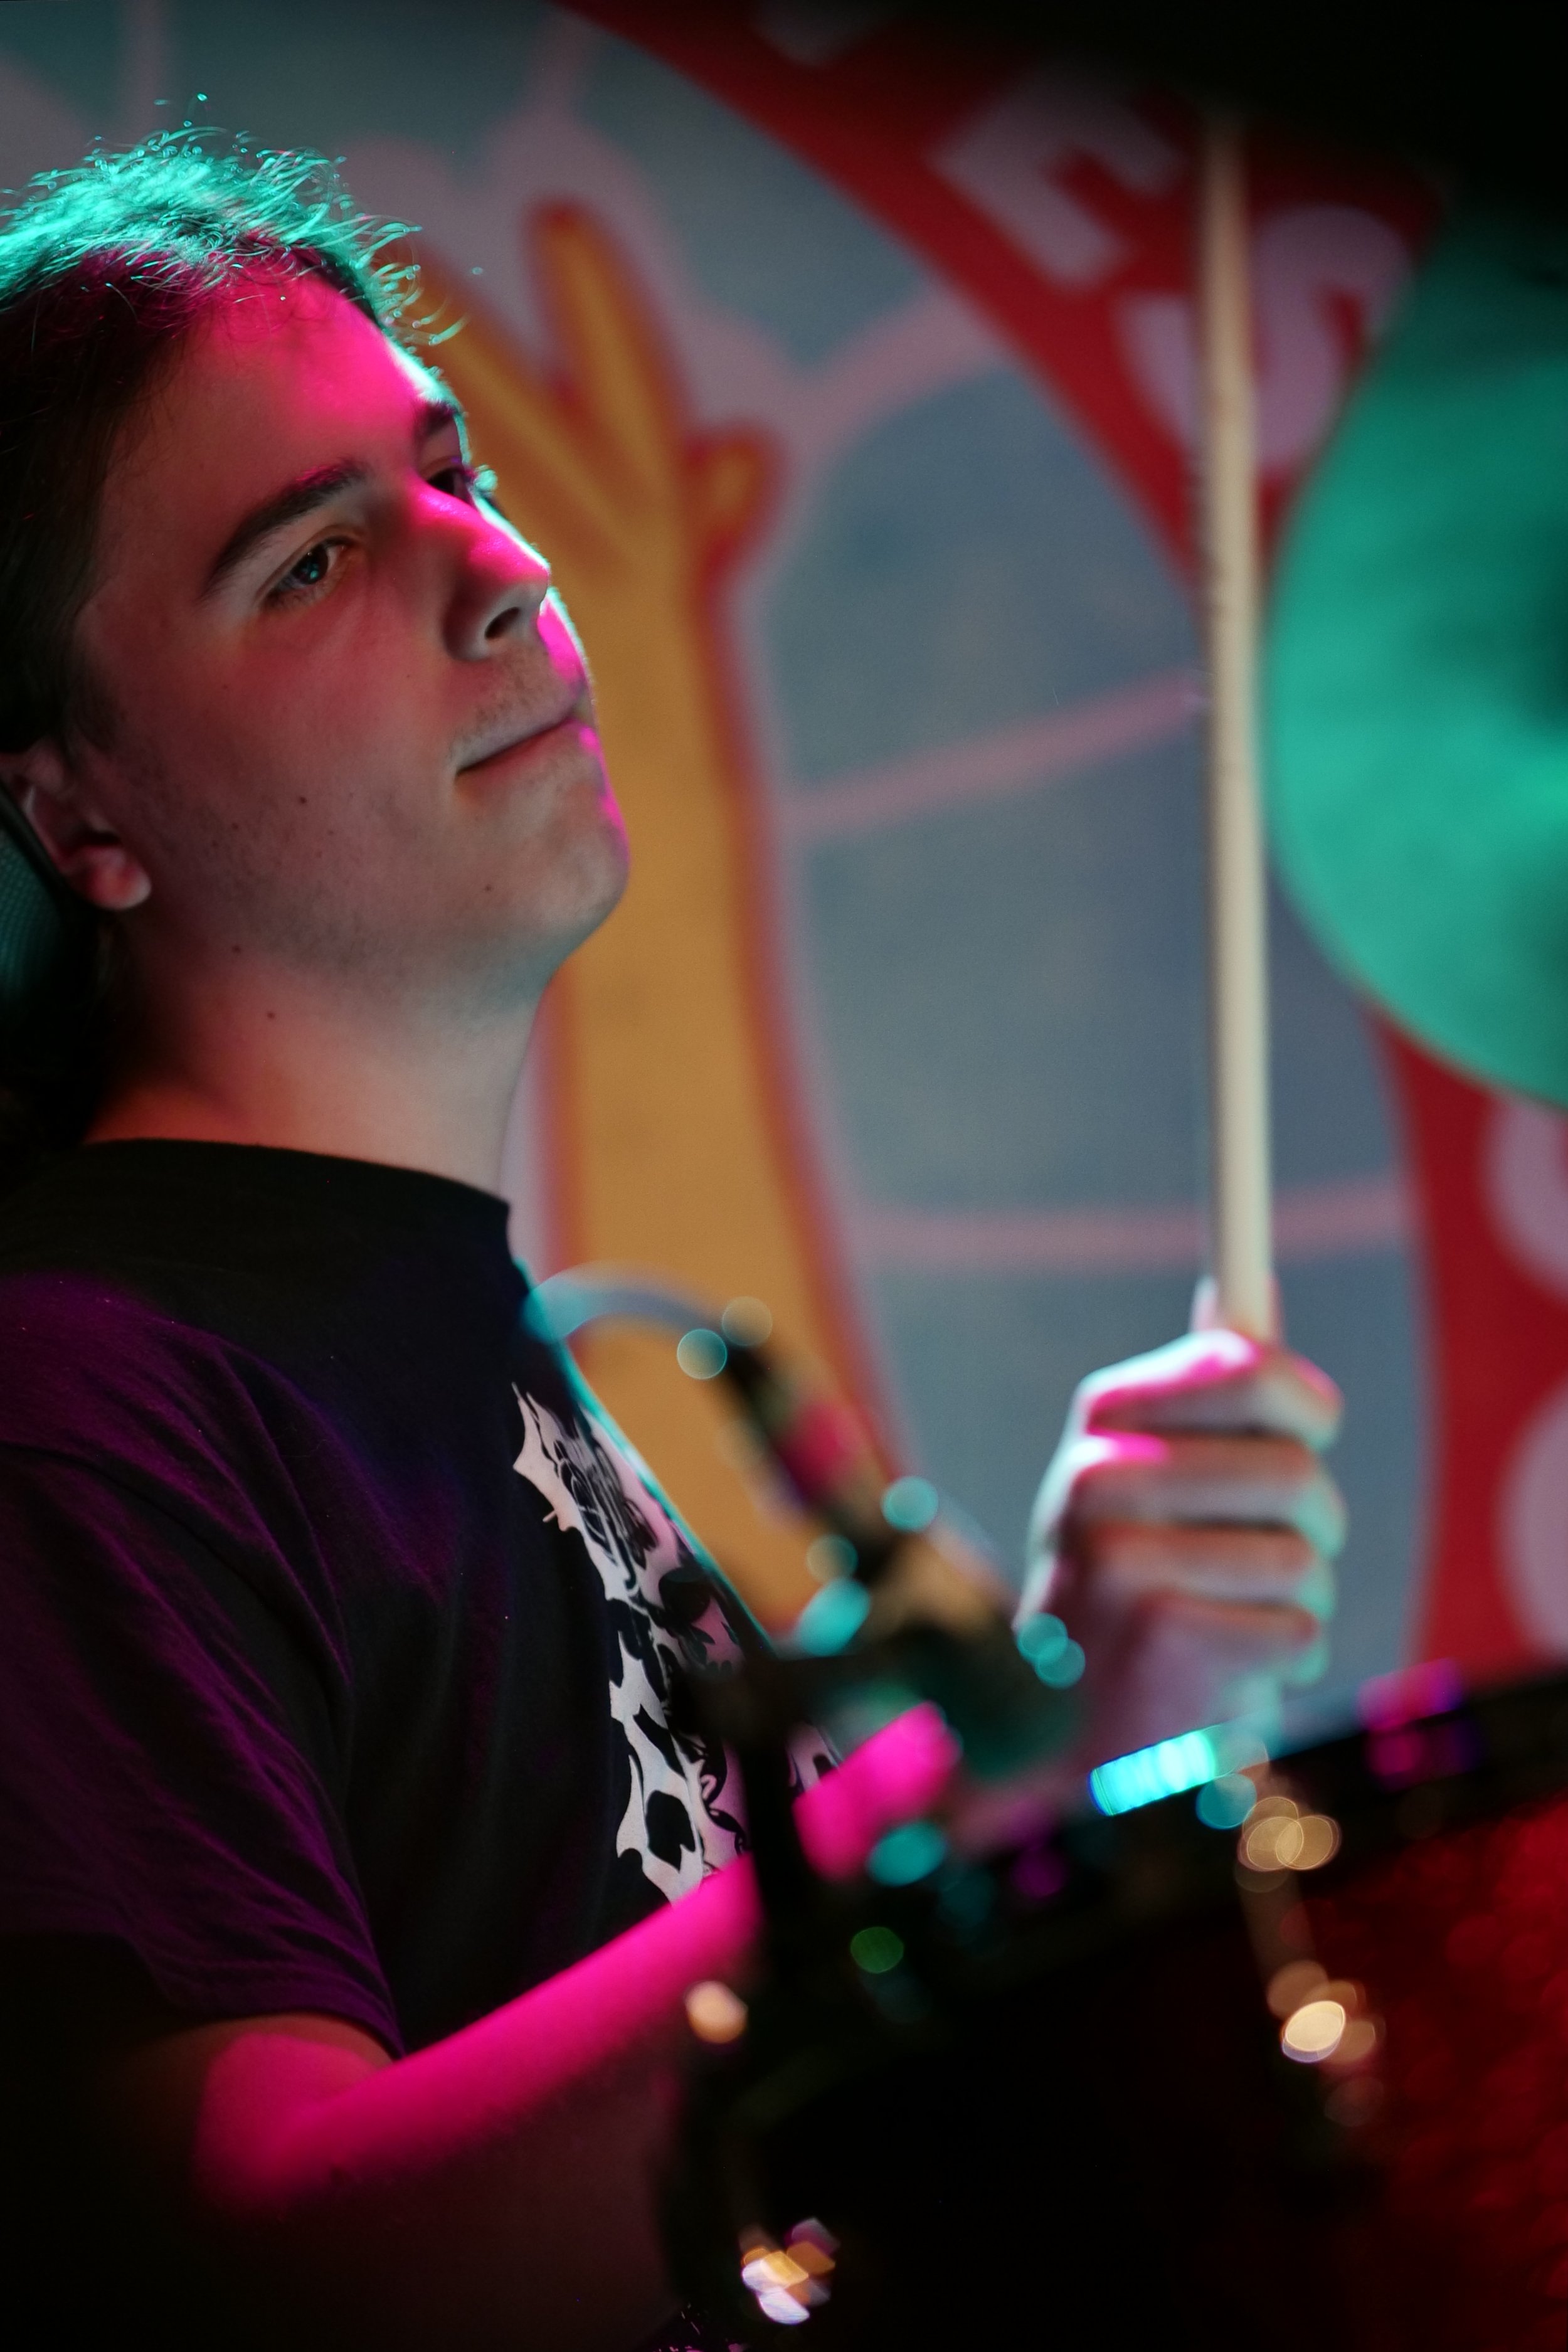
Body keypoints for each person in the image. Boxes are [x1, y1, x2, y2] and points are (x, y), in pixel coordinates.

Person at [0, 137, 1343, 2351]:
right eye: (316, 559)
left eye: (454, 473)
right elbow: (278, 2272)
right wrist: (976, 1780)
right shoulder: (82, 1392)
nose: (504, 574)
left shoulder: (444, 1333)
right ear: (75, 815)